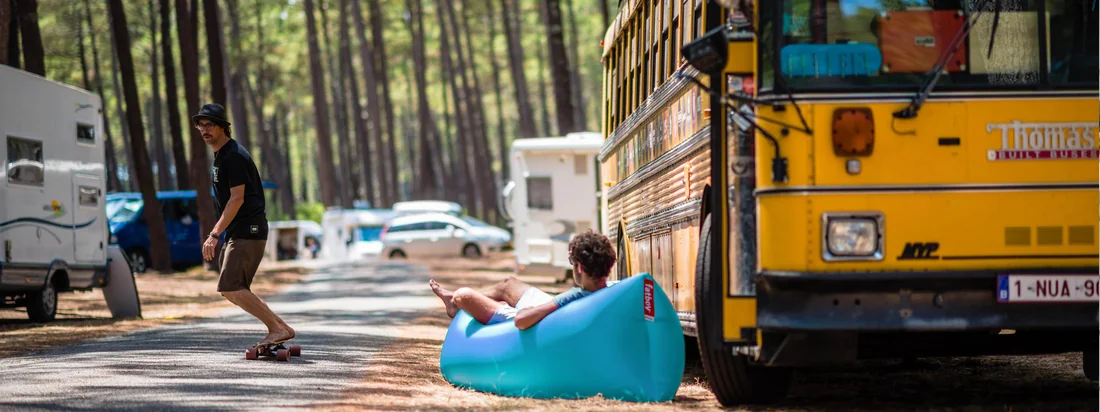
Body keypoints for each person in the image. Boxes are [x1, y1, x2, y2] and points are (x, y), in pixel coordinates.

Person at [194, 103, 295, 346]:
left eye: (210, 125)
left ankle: (277, 328)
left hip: (248, 230)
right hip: (240, 231)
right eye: (201, 125)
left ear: (223, 128)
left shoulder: (234, 156)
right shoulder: (222, 156)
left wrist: (214, 234)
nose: (204, 130)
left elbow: (237, 198)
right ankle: (280, 327)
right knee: (233, 287)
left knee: (230, 286)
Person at [429, 230, 618, 330]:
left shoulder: (575, 296)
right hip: (551, 311)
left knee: (464, 296)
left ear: (580, 267)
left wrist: (530, 311)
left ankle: (456, 301)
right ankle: (453, 302)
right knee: (508, 284)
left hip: (541, 322)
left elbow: (521, 320)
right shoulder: (614, 291)